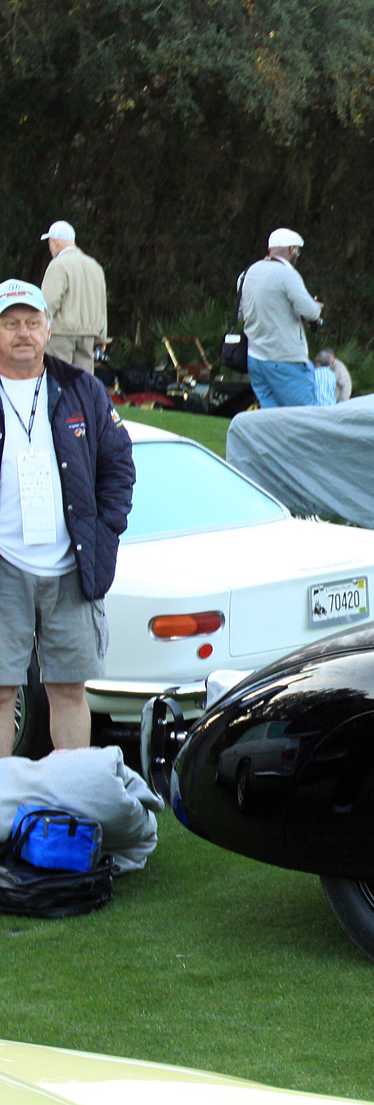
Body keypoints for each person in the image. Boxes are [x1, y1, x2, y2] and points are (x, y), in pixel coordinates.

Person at [0, 278, 134, 754]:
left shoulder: (83, 389)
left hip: (72, 565)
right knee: (0, 693)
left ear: (48, 327)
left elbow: (118, 465)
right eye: (11, 323)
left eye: (32, 323)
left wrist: (105, 531)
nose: (23, 333)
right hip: (4, 565)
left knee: (70, 690)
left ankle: (72, 805)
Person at [240, 228, 323, 408]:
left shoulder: (247, 273)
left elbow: (243, 311)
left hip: (255, 357)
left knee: (271, 418)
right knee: (303, 414)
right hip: (285, 358)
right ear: (291, 249)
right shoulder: (286, 274)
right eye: (297, 251)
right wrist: (315, 307)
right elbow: (311, 312)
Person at [36, 221, 107, 371]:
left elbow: (49, 301)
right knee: (83, 383)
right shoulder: (95, 266)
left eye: (49, 243)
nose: (50, 247)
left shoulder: (58, 264)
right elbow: (101, 304)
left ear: (55, 243)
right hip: (89, 335)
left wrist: (39, 327)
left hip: (61, 335)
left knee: (58, 380)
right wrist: (102, 337)